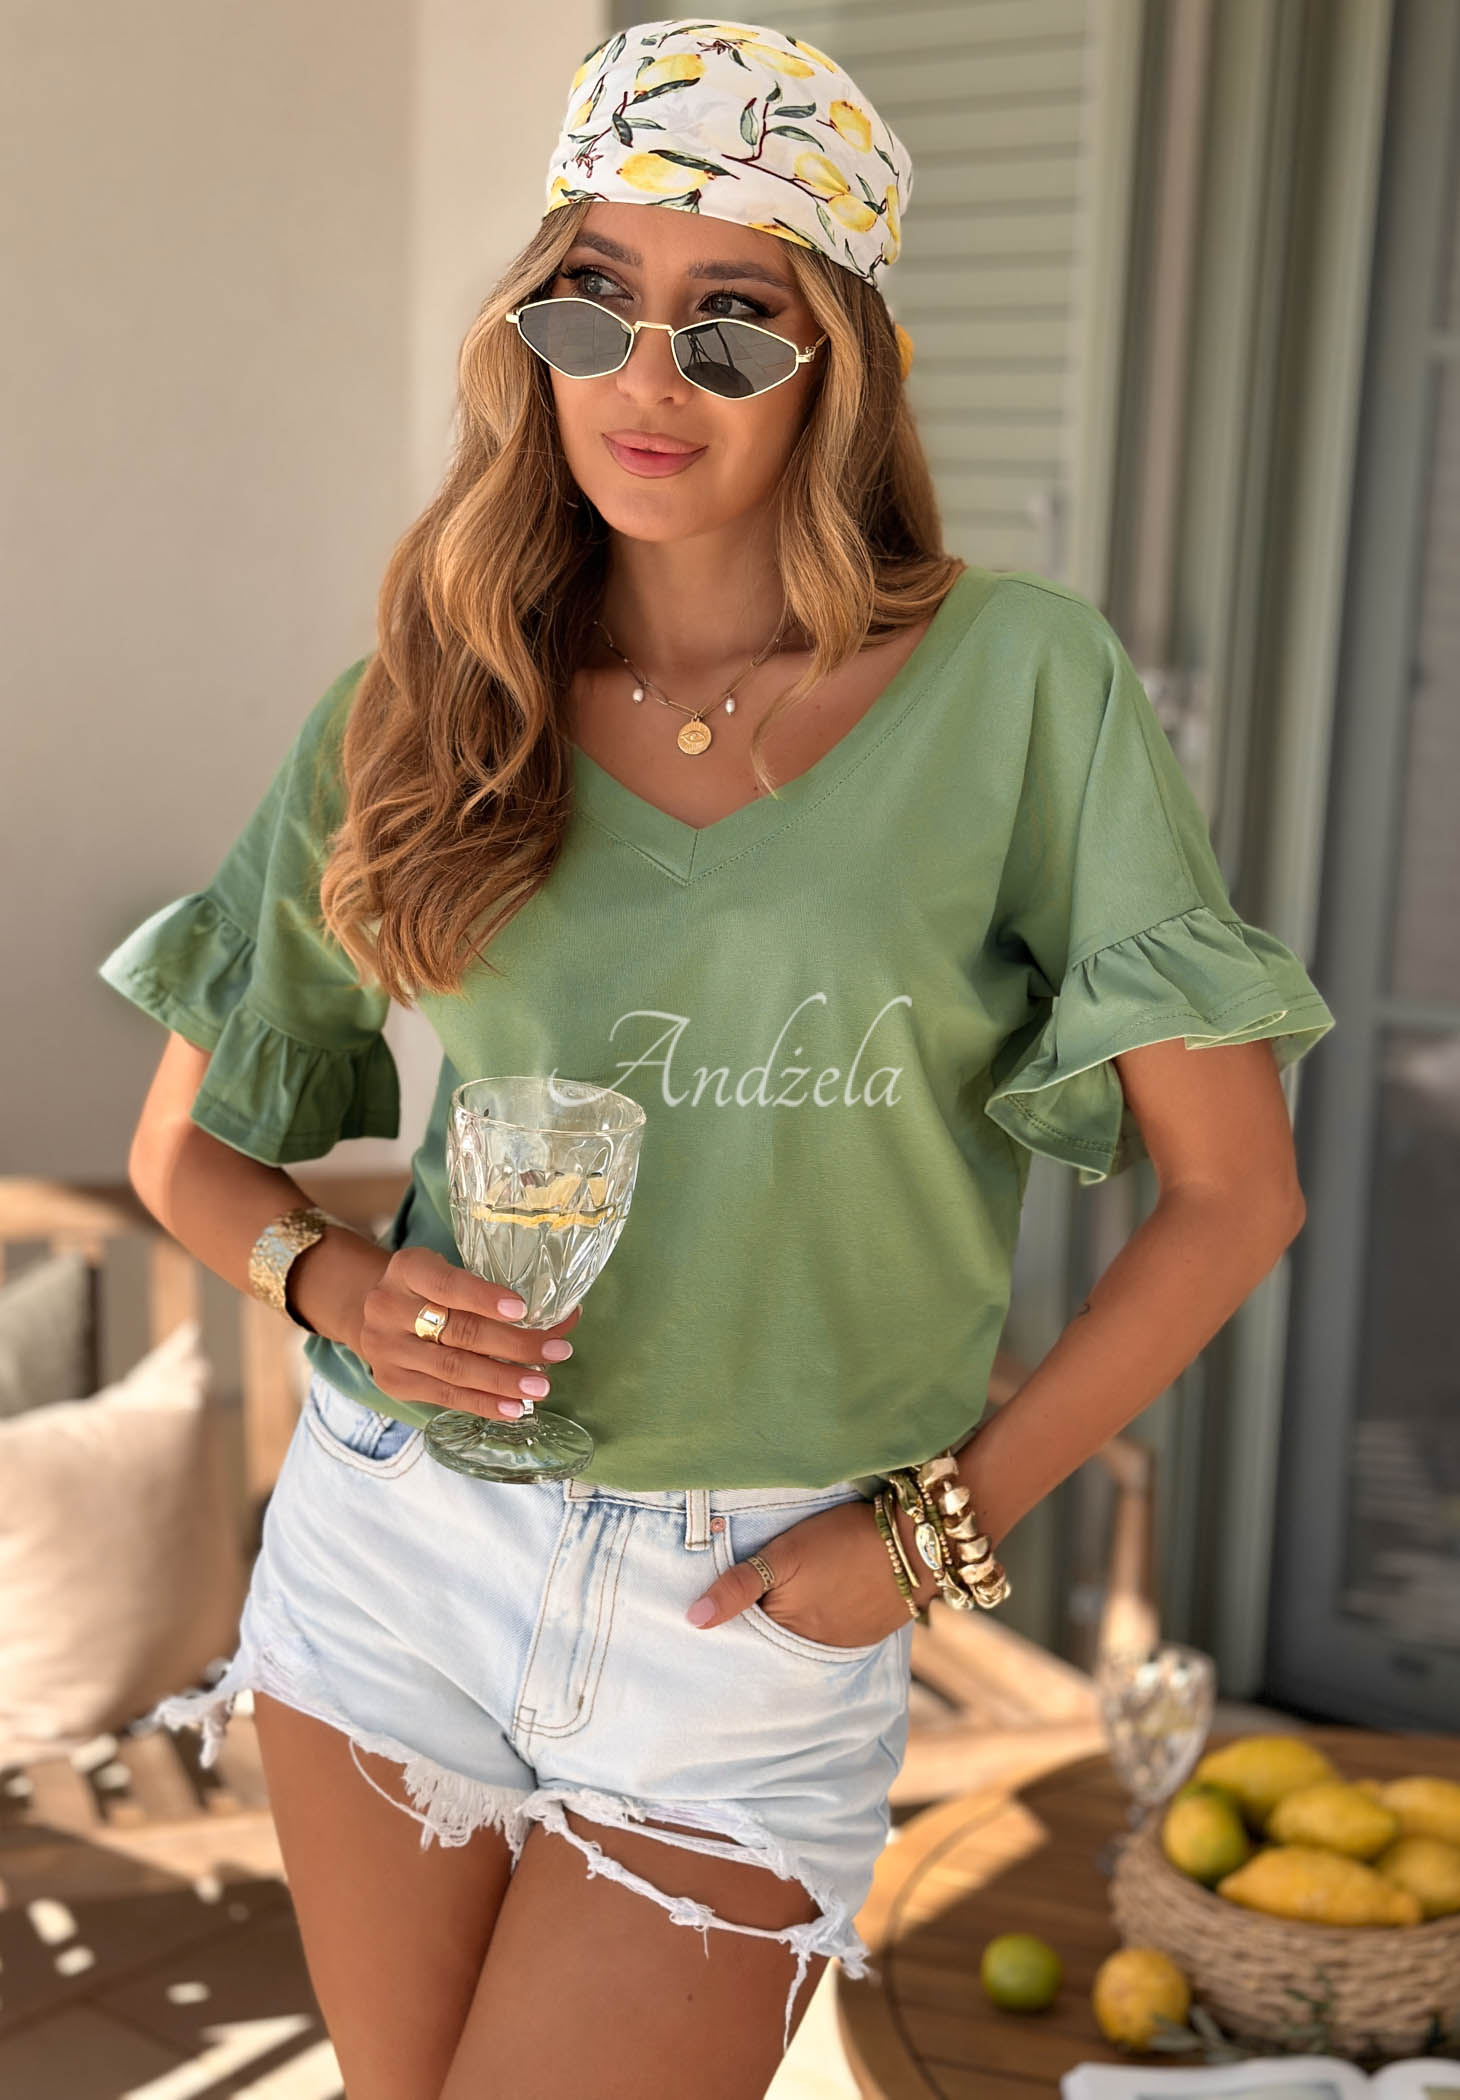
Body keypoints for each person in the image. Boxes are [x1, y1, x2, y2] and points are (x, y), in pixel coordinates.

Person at [98, 18, 1337, 2100]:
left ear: (841, 365)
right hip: (401, 1548)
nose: (646, 379)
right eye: (592, 302)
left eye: (733, 321)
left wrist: (932, 1536)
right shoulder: (426, 694)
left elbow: (1236, 1194)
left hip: (756, 1611)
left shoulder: (1021, 684)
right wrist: (333, 1286)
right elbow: (186, 1152)